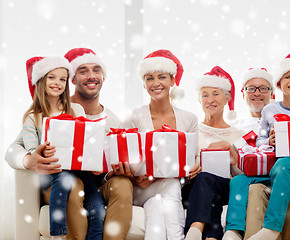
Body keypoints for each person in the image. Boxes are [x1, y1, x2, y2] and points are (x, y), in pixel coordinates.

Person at [6, 48, 133, 240]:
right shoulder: (46, 114)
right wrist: (28, 159)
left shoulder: (112, 121)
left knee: (122, 184)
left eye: (96, 70)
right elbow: (15, 148)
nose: (91, 76)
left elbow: (112, 158)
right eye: (83, 70)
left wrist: (111, 170)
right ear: (73, 79)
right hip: (62, 179)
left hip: (93, 181)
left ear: (104, 77)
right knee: (73, 185)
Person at [225, 50, 290, 240]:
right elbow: (260, 143)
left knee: (286, 162)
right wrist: (270, 142)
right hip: (276, 165)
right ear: (279, 85)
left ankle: (272, 228)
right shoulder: (269, 111)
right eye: (287, 77)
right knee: (263, 179)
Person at [21, 56, 105, 240]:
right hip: (54, 170)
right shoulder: (32, 117)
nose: (57, 83)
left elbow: (85, 142)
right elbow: (32, 150)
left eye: (62, 79)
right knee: (62, 178)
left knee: (97, 209)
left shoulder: (74, 110)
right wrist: (41, 152)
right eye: (52, 77)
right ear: (41, 81)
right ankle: (58, 233)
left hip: (80, 170)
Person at [122, 49, 199, 240]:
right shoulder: (134, 117)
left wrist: (197, 166)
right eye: (149, 78)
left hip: (174, 188)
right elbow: (121, 156)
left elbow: (194, 156)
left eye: (162, 77)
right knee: (169, 185)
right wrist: (134, 178)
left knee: (157, 205)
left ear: (172, 81)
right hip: (142, 187)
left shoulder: (189, 119)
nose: (156, 83)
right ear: (144, 83)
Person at [183, 66, 245, 240]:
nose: (210, 99)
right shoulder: (191, 130)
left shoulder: (238, 134)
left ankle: (194, 231)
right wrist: (189, 169)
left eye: (216, 94)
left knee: (207, 179)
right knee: (205, 181)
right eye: (205, 95)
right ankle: (211, 237)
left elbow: (243, 176)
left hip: (225, 187)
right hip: (193, 187)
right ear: (199, 100)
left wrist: (233, 157)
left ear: (227, 98)